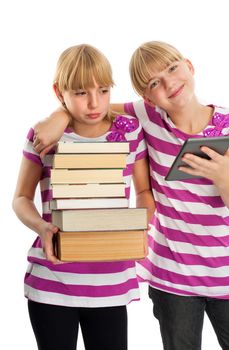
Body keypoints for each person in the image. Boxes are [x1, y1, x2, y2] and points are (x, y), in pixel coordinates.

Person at [31, 41, 229, 350]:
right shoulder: (147, 116)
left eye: (173, 68)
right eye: (154, 83)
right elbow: (92, 106)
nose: (169, 83)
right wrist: (59, 116)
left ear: (189, 66)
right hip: (171, 277)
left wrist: (224, 176)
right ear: (147, 97)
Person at [12, 43, 155, 350]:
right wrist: (42, 227)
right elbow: (21, 198)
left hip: (110, 282)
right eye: (80, 93)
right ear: (58, 92)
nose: (94, 103)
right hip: (53, 282)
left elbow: (144, 191)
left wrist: (139, 227)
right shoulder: (45, 135)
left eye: (103, 90)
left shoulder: (130, 131)